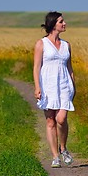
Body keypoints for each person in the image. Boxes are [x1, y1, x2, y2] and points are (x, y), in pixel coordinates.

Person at [33, 11, 76, 168]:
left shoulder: (66, 45)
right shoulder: (41, 44)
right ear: (53, 24)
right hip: (48, 85)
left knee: (61, 119)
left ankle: (63, 148)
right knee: (50, 120)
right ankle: (55, 156)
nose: (64, 24)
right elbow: (36, 67)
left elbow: (70, 68)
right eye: (61, 22)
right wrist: (37, 87)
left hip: (64, 85)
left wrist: (73, 85)